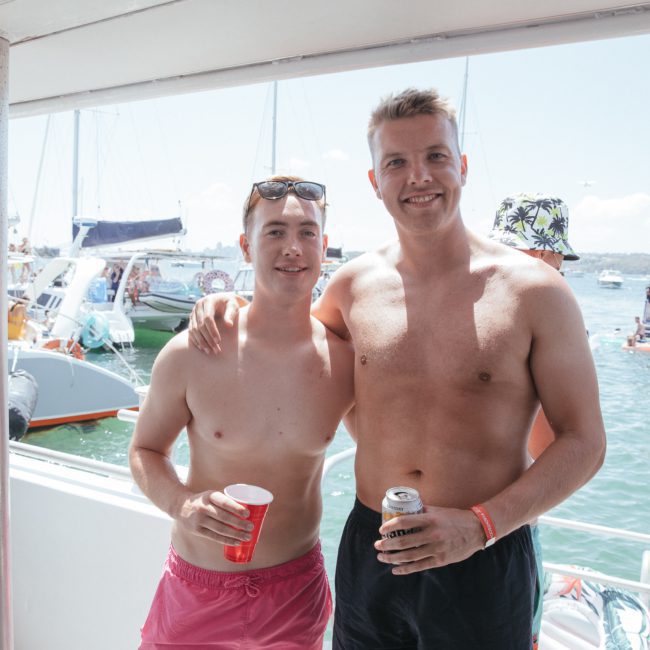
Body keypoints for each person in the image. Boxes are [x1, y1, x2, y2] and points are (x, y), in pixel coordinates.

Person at [188, 88, 606, 649]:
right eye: (396, 162)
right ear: (374, 181)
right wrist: (229, 307)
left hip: (482, 553)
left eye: (435, 156)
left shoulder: (536, 292)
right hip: (372, 548)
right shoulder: (351, 287)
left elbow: (584, 442)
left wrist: (481, 525)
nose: (419, 177)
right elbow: (283, 342)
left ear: (461, 166)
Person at [129, 175, 354, 649]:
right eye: (274, 231)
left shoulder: (346, 363)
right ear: (246, 247)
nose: (292, 247)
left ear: (324, 246)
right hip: (196, 590)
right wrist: (182, 504)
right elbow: (146, 449)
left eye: (306, 233)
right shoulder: (191, 353)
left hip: (295, 596)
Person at [487, 191, 581, 649]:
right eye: (560, 259)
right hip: (506, 529)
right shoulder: (550, 313)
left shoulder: (474, 306)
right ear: (544, 253)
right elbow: (552, 448)